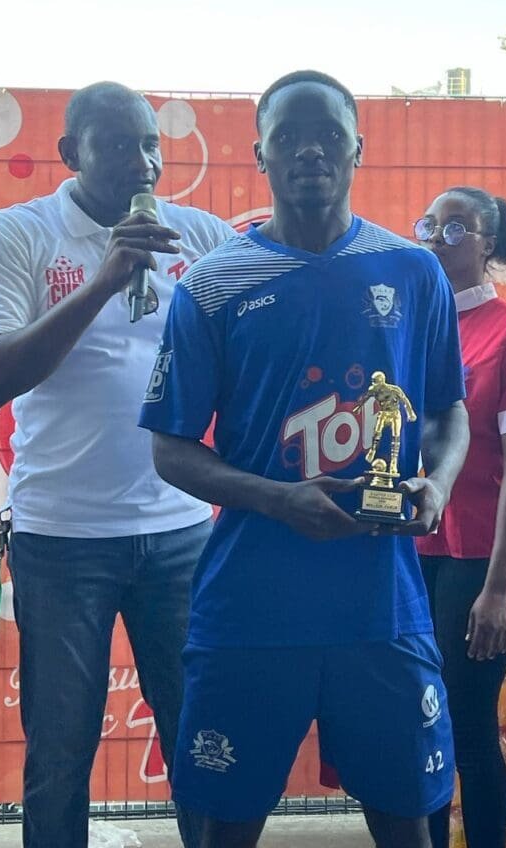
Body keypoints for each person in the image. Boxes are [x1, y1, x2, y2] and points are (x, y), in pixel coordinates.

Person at [139, 70, 470, 848]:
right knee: (226, 829)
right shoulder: (213, 285)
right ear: (260, 155)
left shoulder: (412, 271)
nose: (310, 151)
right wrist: (278, 498)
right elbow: (170, 450)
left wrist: (438, 484)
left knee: (408, 823)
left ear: (359, 148)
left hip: (380, 605)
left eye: (328, 135)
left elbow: (447, 411)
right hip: (252, 606)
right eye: (288, 136)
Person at [0, 82, 234, 848]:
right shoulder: (18, 233)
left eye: (150, 144)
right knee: (60, 752)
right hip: (61, 541)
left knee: (202, 740)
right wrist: (104, 280)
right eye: (118, 145)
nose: (143, 163)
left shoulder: (200, 236)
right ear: (70, 153)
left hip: (181, 534)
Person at [414, 187, 506, 848]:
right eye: (429, 226)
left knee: (465, 719)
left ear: (487, 244)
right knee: (420, 716)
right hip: (419, 542)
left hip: (485, 553)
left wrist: (498, 590)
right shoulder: (415, 328)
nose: (436, 239)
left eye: (455, 228)